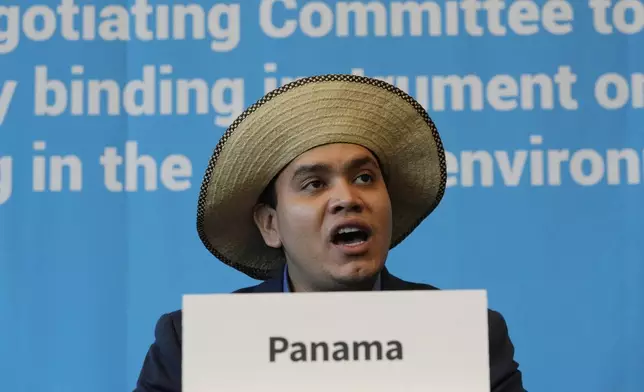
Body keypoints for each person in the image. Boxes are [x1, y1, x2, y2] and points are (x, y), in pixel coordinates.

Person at [133, 75, 526, 391]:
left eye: (365, 177)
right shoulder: (193, 344)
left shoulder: (466, 335)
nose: (347, 198)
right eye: (314, 184)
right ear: (271, 224)